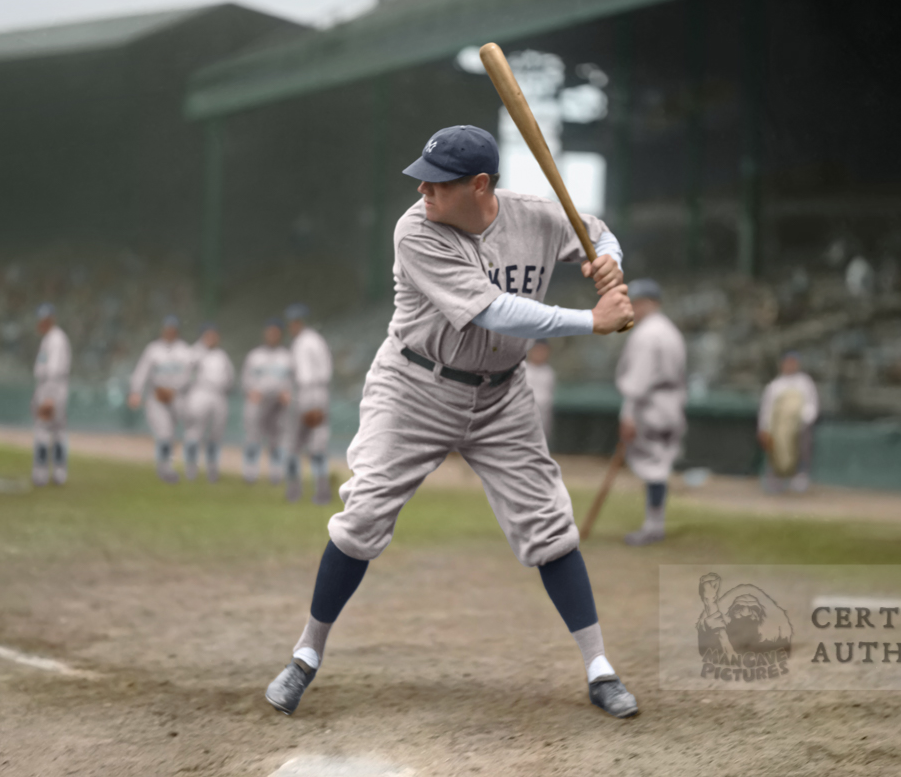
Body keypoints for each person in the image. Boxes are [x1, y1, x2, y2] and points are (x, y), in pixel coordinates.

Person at [264, 124, 638, 720]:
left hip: (501, 398)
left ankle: (600, 669)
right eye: (421, 181)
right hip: (415, 386)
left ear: (480, 186)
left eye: (437, 185)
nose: (422, 192)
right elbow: (495, 310)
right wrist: (592, 318)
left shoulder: (534, 217)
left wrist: (610, 264)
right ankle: (306, 655)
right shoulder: (415, 231)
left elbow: (600, 233)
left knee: (550, 525)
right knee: (360, 517)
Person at [615, 279, 687, 546]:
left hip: (650, 405)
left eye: (635, 302)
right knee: (659, 464)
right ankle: (655, 522)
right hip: (672, 402)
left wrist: (628, 415)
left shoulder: (646, 334)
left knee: (653, 467)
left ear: (647, 303)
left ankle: (653, 526)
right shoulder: (670, 331)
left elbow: (637, 383)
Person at [128, 315, 191, 482]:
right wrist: (135, 391)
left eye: (173, 329)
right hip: (156, 397)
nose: (170, 332)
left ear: (177, 331)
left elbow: (188, 375)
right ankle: (165, 468)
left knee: (171, 435)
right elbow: (141, 371)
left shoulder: (185, 350)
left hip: (177, 398)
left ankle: (167, 465)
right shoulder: (153, 349)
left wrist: (173, 390)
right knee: (164, 433)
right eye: (167, 328)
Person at [283, 303, 334, 504]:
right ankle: (321, 491)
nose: (291, 326)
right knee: (317, 444)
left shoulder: (302, 342)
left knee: (294, 444)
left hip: (307, 392)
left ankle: (295, 490)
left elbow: (302, 375)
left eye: (292, 322)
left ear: (297, 323)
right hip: (320, 392)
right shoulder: (317, 340)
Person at [241, 319, 294, 484]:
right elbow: (245, 379)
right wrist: (251, 391)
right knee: (252, 437)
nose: (272, 335)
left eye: (276, 332)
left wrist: (287, 393)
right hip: (258, 401)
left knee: (276, 439)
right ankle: (250, 473)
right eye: (270, 331)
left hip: (278, 403)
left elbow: (293, 380)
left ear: (280, 334)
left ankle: (276, 474)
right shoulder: (255, 355)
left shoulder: (287, 356)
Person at [758, 351, 819, 493]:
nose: (790, 365)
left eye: (793, 362)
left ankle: (800, 478)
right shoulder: (775, 385)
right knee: (775, 451)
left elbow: (812, 404)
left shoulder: (805, 383)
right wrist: (764, 428)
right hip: (779, 426)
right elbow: (767, 409)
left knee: (802, 450)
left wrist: (802, 421)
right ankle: (775, 480)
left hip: (800, 426)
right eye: (788, 362)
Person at [184, 323, 236, 482]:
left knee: (216, 434)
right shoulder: (194, 352)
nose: (212, 338)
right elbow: (185, 373)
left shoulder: (222, 355)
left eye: (215, 335)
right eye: (209, 335)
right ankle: (191, 467)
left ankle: (212, 469)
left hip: (219, 396)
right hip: (199, 393)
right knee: (195, 432)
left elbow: (231, 378)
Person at [32, 303, 71, 486]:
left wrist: (49, 397)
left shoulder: (55, 339)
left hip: (52, 387)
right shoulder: (50, 338)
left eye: (45, 319)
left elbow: (53, 370)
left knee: (43, 429)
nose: (42, 323)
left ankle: (42, 472)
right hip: (53, 387)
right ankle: (58, 472)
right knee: (58, 431)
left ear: (51, 320)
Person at [525, 339, 556, 444]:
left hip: (543, 415)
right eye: (537, 350)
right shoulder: (523, 370)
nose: (540, 353)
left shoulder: (549, 372)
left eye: (543, 350)